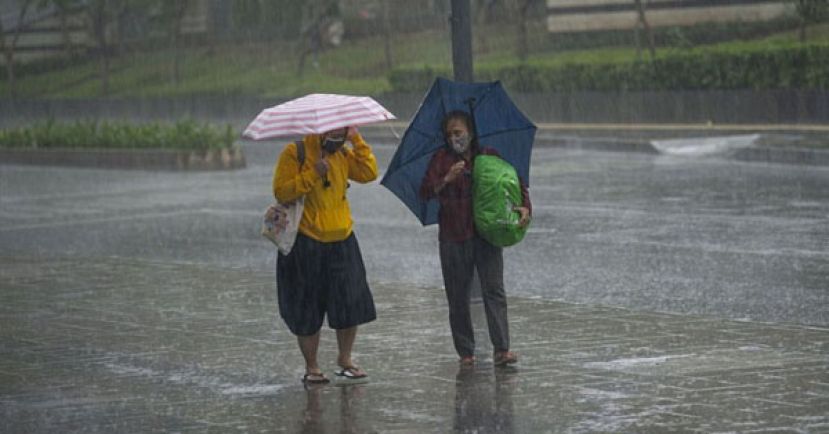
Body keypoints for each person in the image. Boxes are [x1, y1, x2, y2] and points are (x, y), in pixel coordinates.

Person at [420, 111, 531, 367]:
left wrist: (525, 206)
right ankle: (466, 352)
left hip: (486, 234)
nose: (454, 138)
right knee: (457, 296)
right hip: (453, 236)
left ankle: (502, 349)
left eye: (458, 132)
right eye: (449, 134)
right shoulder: (441, 159)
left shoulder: (488, 155)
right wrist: (446, 179)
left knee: (494, 290)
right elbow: (425, 191)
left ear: (470, 132)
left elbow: (513, 183)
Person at [273, 126, 378, 385]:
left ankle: (345, 359)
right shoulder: (295, 152)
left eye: (343, 133)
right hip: (306, 241)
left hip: (342, 239)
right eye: (334, 133)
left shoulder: (343, 154)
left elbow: (369, 173)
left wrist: (357, 140)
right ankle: (312, 366)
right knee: (307, 308)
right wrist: (313, 173)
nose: (337, 138)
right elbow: (282, 191)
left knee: (350, 303)